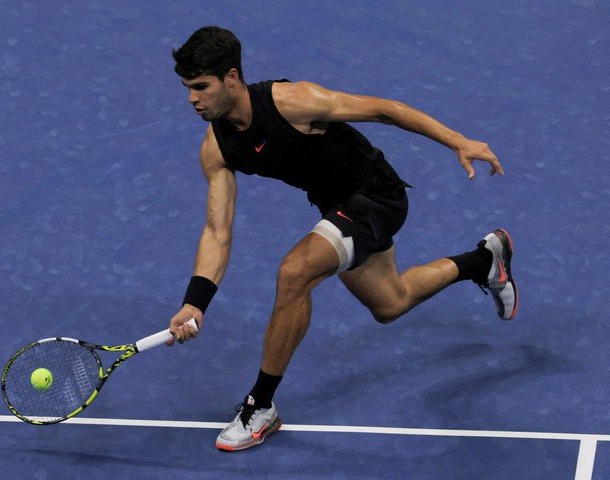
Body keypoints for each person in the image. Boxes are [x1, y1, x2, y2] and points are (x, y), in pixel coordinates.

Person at [166, 26, 518, 452]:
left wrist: (458, 141)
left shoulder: (293, 101)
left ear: (233, 78)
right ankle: (484, 260)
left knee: (295, 272)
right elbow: (217, 232)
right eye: (187, 88)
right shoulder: (216, 148)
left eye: (201, 86)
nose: (192, 98)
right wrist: (194, 303)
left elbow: (385, 110)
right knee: (391, 303)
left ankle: (261, 406)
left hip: (376, 197)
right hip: (337, 209)